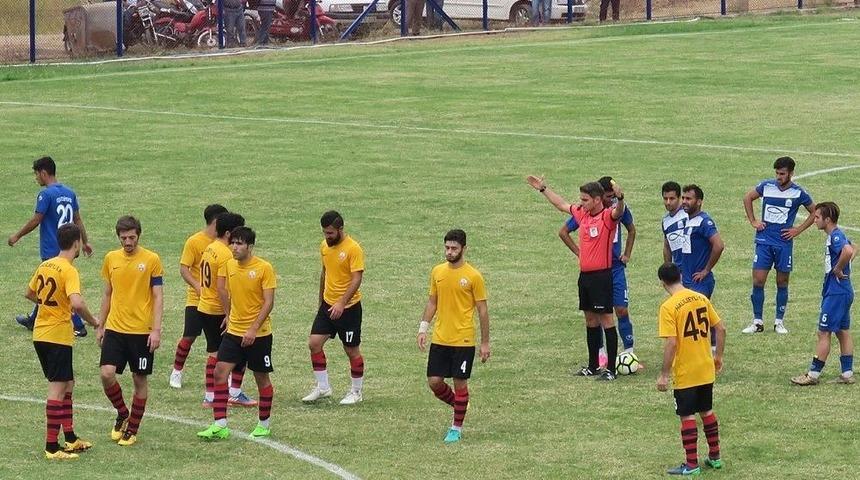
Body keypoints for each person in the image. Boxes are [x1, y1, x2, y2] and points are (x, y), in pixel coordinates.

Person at [527, 175, 626, 380]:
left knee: (607, 320)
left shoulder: (607, 217)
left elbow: (619, 211)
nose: (581, 203)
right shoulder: (582, 215)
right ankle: (593, 366)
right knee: (590, 319)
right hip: (585, 277)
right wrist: (543, 189)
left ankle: (611, 370)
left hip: (602, 277)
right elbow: (561, 204)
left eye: (585, 200)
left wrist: (621, 198)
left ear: (597, 199)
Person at [26, 223, 100, 460]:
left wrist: (53, 304)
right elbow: (77, 303)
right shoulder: (69, 270)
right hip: (56, 336)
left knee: (68, 383)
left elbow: (30, 294)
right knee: (57, 389)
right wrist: (92, 320)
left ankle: (69, 438)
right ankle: (51, 447)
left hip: (40, 334)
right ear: (77, 243)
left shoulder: (45, 265)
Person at [198, 227, 277, 440]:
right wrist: (228, 314)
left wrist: (252, 329)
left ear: (250, 246)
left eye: (240, 243)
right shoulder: (228, 265)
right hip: (233, 332)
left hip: (259, 335)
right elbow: (224, 291)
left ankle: (264, 425)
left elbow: (268, 303)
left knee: (261, 378)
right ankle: (220, 425)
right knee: (219, 373)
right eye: (232, 243)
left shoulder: (264, 268)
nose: (234, 247)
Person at [417, 229, 490, 444]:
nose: (449, 252)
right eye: (447, 248)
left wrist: (485, 342)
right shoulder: (437, 272)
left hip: (463, 340)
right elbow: (433, 302)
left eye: (454, 248)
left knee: (460, 384)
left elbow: (482, 311)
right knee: (434, 382)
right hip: (440, 338)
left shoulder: (473, 276)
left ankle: (456, 428)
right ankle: (461, 404)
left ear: (464, 249)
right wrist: (423, 328)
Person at [97, 216, 164, 447]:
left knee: (139, 379)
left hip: (141, 332)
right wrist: (100, 324)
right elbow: (107, 294)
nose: (128, 242)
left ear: (139, 235)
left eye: (132, 237)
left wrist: (156, 330)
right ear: (118, 237)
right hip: (115, 328)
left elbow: (158, 296)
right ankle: (122, 413)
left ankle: (132, 428)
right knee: (106, 373)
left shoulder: (152, 259)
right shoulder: (110, 259)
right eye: (124, 238)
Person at [10, 156, 93, 337]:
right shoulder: (69, 193)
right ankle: (34, 319)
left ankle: (78, 325)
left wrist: (17, 235)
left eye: (36, 174)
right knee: (49, 285)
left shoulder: (46, 195)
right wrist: (85, 242)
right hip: (69, 247)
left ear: (44, 173)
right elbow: (77, 219)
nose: (36, 178)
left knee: (53, 287)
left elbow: (36, 220)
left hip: (51, 248)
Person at [656, 262, 725, 476]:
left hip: (686, 371)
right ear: (680, 276)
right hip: (705, 366)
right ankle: (715, 457)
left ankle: (692, 464)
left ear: (662, 283)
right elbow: (720, 328)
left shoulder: (668, 307)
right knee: (707, 411)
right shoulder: (701, 298)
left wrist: (664, 374)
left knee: (686, 416)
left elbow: (672, 343)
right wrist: (718, 357)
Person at [559, 176, 637, 363]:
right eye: (608, 196)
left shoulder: (616, 211)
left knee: (621, 310)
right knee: (596, 315)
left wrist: (626, 253)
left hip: (615, 269)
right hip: (595, 273)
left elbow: (631, 229)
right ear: (600, 197)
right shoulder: (586, 213)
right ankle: (601, 355)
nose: (610, 199)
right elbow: (563, 230)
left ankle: (628, 351)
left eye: (613, 196)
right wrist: (581, 253)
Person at [742, 156, 815, 334]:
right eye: (777, 173)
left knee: (782, 282)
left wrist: (797, 230)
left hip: (783, 244)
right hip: (764, 241)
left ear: (791, 173)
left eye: (782, 174)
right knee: (758, 280)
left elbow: (815, 212)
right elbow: (748, 198)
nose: (778, 177)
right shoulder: (766, 186)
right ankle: (757, 321)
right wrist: (753, 221)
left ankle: (779, 322)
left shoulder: (799, 193)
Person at [302, 210, 367, 405]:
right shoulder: (324, 246)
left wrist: (342, 302)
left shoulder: (353, 249)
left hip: (349, 309)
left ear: (340, 229)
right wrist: (321, 300)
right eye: (324, 233)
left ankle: (356, 391)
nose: (327, 237)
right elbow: (325, 272)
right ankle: (323, 388)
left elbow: (357, 278)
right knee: (314, 343)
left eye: (330, 233)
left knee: (351, 350)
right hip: (327, 305)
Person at [791, 202, 855, 386]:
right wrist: (844, 266)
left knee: (823, 332)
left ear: (827, 219)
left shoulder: (835, 236)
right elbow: (854, 247)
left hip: (836, 292)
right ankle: (847, 373)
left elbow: (849, 250)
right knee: (842, 331)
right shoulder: (837, 235)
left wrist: (838, 268)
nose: (814, 220)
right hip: (844, 290)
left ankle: (813, 374)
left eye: (817, 217)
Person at [197, 212, 257, 407]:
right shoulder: (225, 254)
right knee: (234, 354)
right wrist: (228, 313)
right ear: (229, 233)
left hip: (204, 306)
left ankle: (210, 396)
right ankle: (233, 393)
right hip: (218, 310)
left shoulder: (210, 248)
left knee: (214, 352)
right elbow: (223, 289)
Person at [169, 204, 228, 389]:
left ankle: (218, 379)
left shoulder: (226, 243)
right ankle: (177, 371)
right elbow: (184, 269)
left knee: (219, 343)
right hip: (197, 300)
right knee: (189, 336)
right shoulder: (194, 241)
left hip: (217, 302)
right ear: (216, 222)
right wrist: (197, 287)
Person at [662, 181, 688, 266]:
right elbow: (667, 246)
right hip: (678, 272)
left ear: (679, 198)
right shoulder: (665, 221)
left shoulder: (688, 215)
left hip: (693, 271)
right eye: (665, 199)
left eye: (672, 198)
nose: (668, 202)